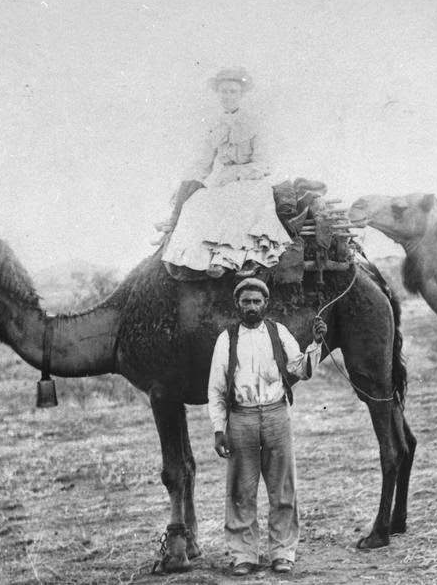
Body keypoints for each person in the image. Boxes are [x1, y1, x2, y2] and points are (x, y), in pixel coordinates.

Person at [207, 277, 326, 576]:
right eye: (245, 302)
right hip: (241, 418)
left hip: (276, 415)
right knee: (240, 491)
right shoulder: (227, 339)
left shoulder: (278, 332)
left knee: (283, 487)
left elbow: (300, 368)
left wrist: (316, 343)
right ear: (237, 305)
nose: (251, 307)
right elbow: (216, 389)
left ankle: (283, 553)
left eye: (256, 302)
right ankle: (243, 555)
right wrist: (219, 429)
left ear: (265, 304)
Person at [157, 67, 292, 277]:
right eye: (224, 92)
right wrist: (188, 182)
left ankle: (233, 259)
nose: (227, 96)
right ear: (218, 94)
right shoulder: (215, 125)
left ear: (241, 95)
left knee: (242, 202)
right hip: (222, 182)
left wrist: (237, 173)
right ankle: (195, 262)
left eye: (232, 92)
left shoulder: (254, 123)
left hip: (252, 181)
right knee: (197, 201)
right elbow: (203, 163)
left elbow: (264, 164)